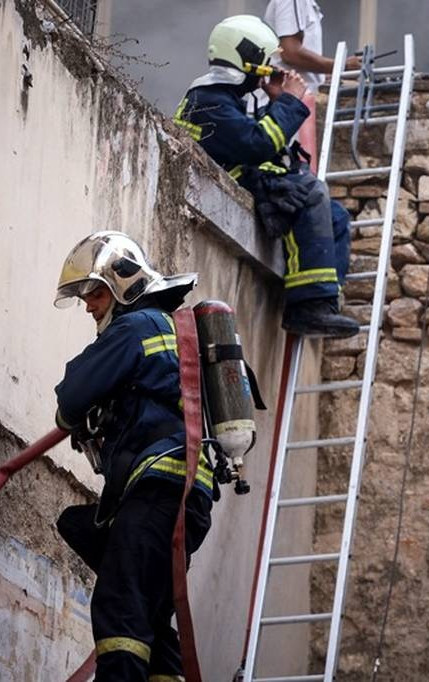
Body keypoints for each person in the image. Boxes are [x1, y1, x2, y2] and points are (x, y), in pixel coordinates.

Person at [53, 231, 213, 681]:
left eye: (96, 293)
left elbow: (72, 397)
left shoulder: (137, 326)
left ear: (123, 287)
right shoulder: (177, 334)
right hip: (189, 497)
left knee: (119, 604)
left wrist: (76, 414)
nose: (89, 306)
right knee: (149, 617)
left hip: (158, 488)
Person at [173, 15, 358, 338]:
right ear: (248, 59)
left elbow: (262, 141)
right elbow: (257, 145)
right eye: (265, 61)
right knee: (311, 192)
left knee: (336, 216)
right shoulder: (207, 100)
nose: (270, 68)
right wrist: (287, 101)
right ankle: (308, 307)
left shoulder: (228, 98)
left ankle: (324, 302)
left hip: (248, 177)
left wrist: (275, 100)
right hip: (232, 181)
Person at [263, 0, 361, 92]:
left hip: (289, 102)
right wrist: (342, 66)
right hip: (282, 103)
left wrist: (327, 76)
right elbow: (290, 53)